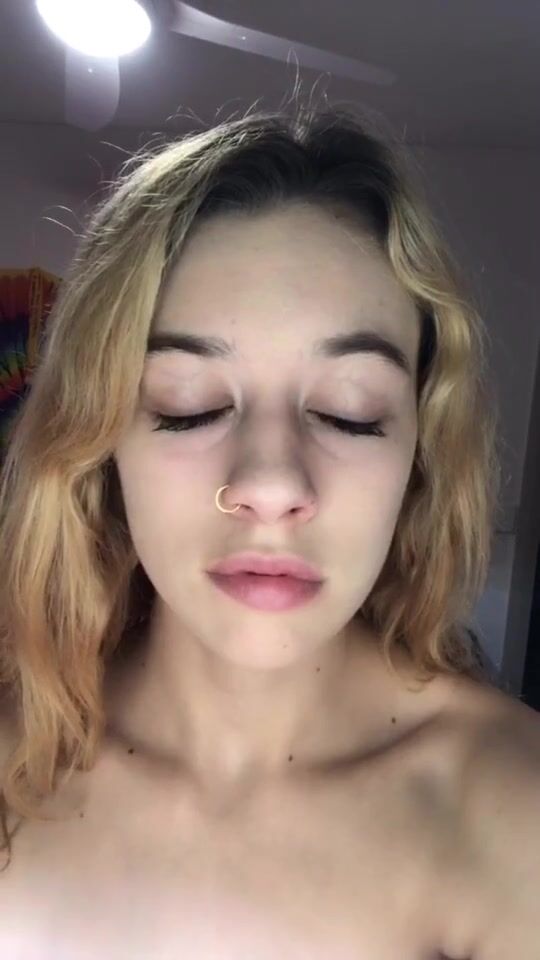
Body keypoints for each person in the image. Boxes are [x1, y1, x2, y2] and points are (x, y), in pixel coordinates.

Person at [0, 102, 538, 959]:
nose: (273, 485)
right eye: (188, 405)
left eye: (351, 413)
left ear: (418, 452)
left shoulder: (512, 812)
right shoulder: (16, 760)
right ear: (100, 443)